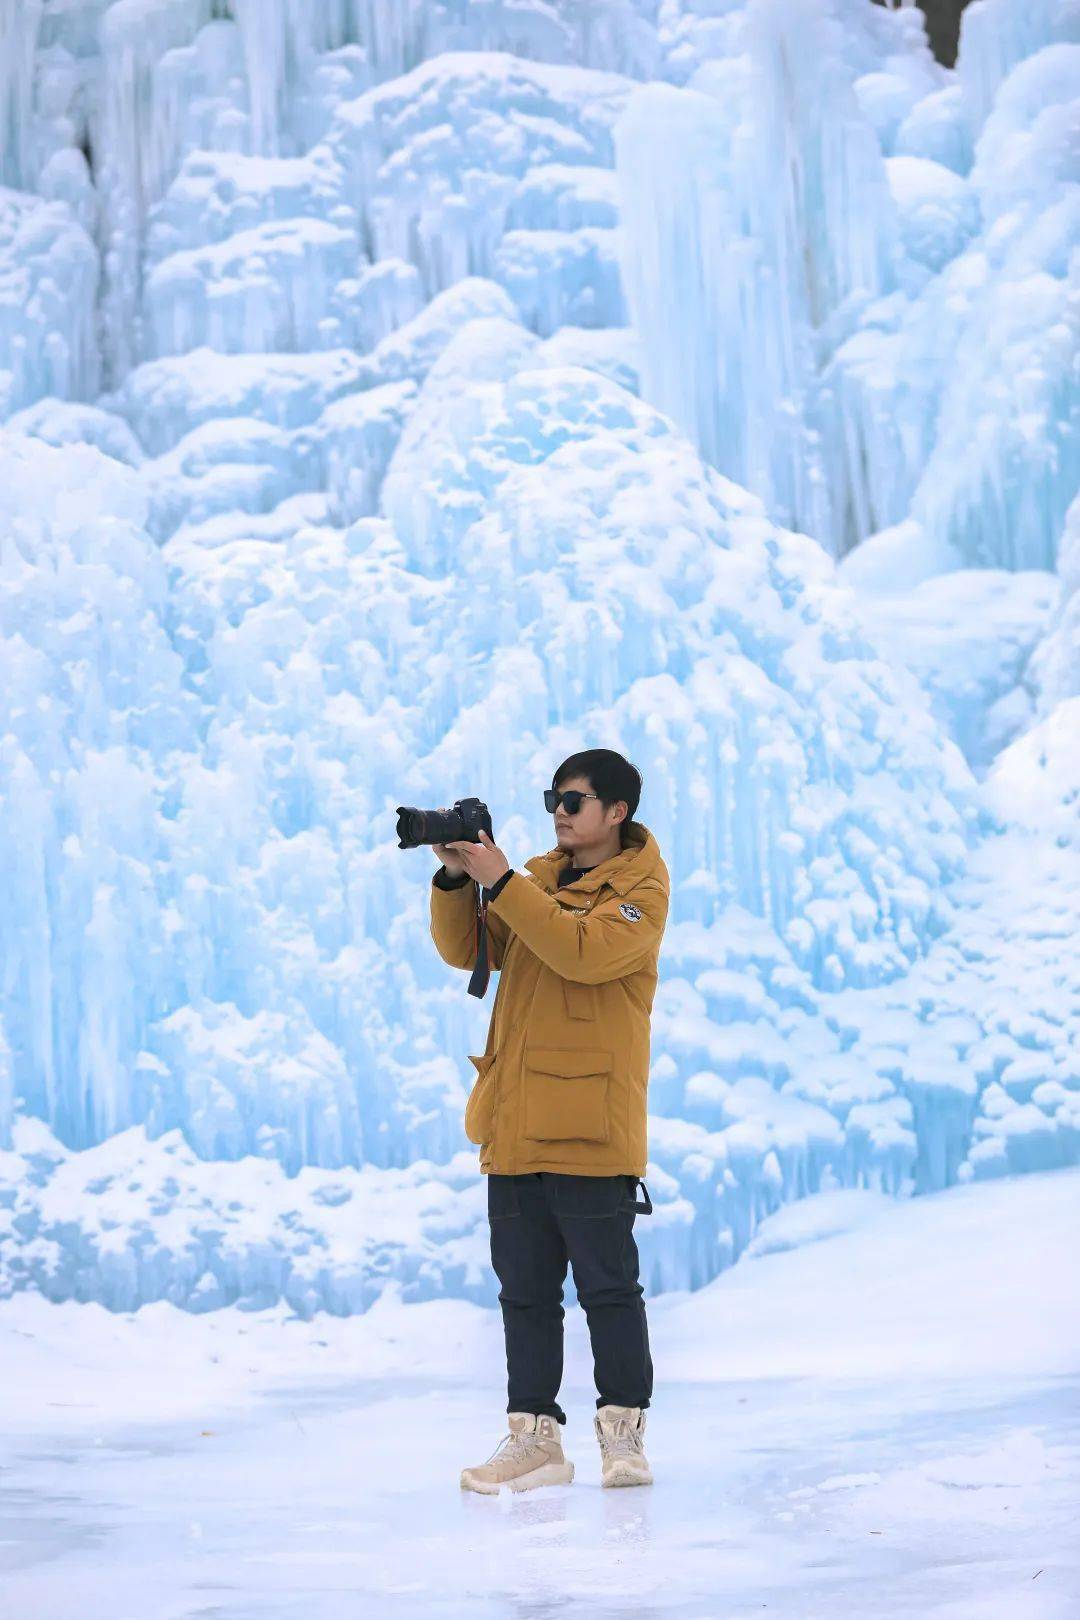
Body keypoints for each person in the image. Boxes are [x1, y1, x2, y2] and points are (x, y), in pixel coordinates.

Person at [429, 748, 670, 1493]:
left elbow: (580, 953)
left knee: (608, 1291)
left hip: (592, 1126)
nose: (560, 813)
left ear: (616, 813)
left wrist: (499, 879)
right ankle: (534, 1438)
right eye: (552, 799)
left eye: (573, 800)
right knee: (525, 1293)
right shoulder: (532, 880)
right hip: (518, 1118)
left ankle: (622, 1434)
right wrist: (453, 878)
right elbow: (466, 950)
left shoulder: (640, 892)